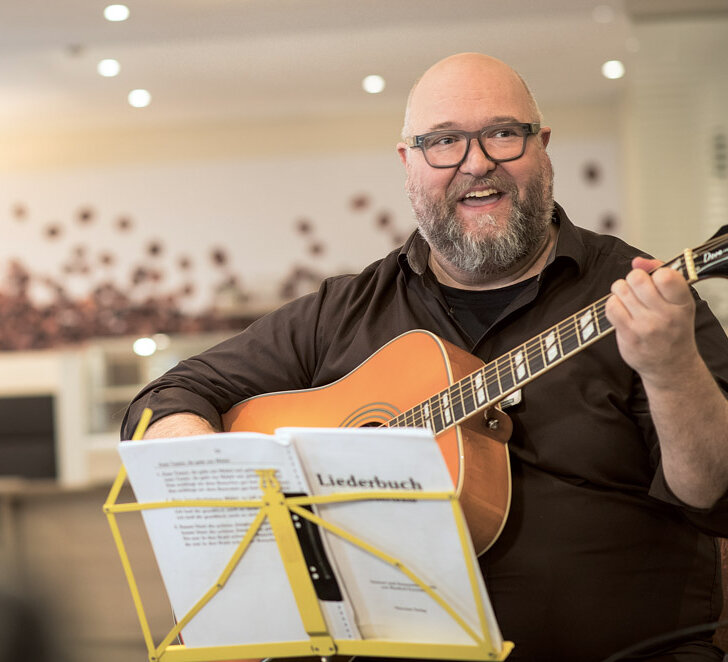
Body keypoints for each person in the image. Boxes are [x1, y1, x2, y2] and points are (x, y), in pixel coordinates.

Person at [122, 53, 728, 660]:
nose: (477, 161)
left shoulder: (642, 294)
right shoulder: (344, 310)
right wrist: (201, 461)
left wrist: (671, 371)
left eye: (502, 133)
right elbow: (169, 393)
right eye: (443, 142)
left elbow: (716, 492)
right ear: (408, 162)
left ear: (542, 146)